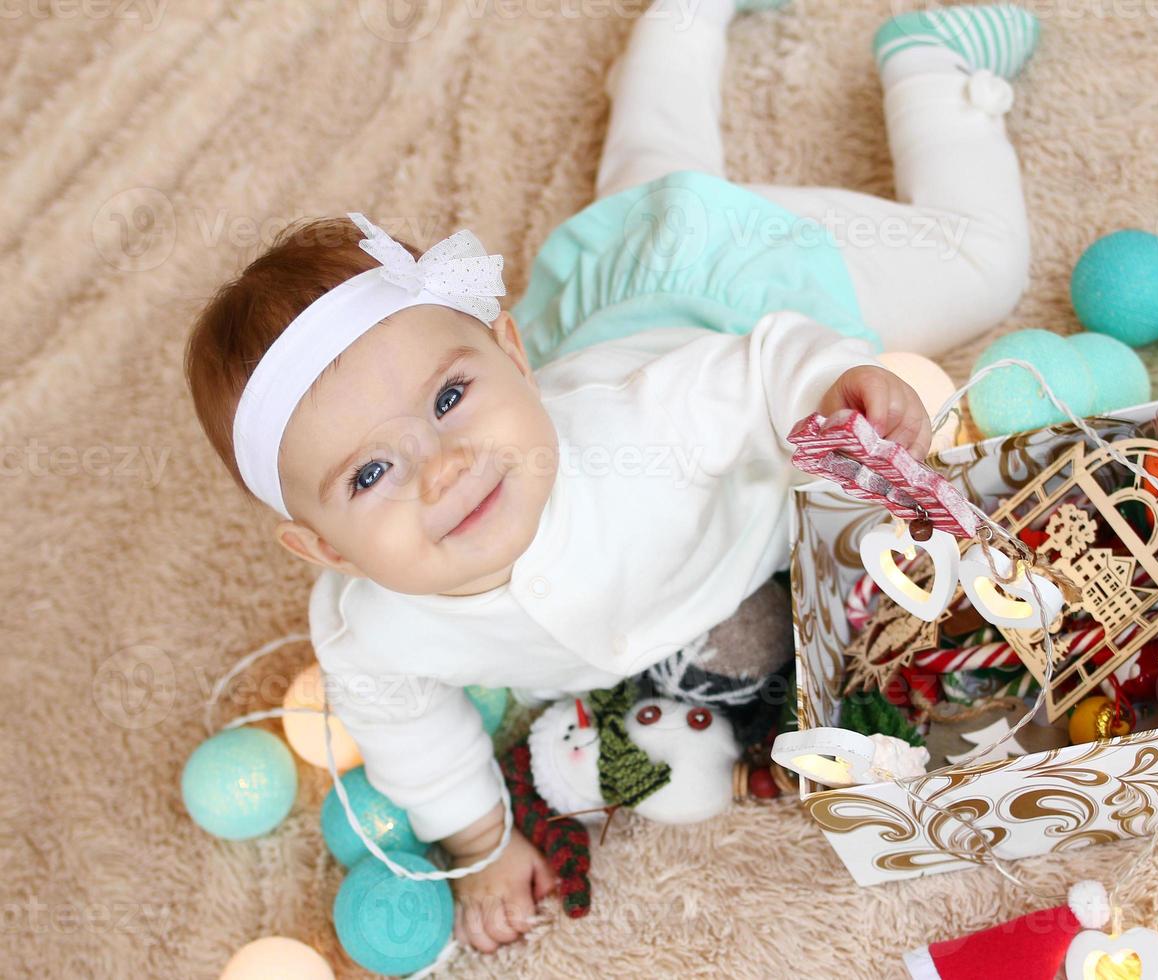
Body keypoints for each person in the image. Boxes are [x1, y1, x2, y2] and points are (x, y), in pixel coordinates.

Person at [182, 0, 1039, 957]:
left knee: (982, 266)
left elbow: (759, 368)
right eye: (373, 470)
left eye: (451, 397)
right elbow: (406, 725)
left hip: (719, 286)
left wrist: (834, 390)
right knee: (646, 181)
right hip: (615, 294)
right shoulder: (372, 627)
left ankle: (928, 62)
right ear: (324, 548)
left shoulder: (646, 423)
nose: (445, 466)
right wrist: (478, 841)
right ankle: (675, 37)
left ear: (510, 352)